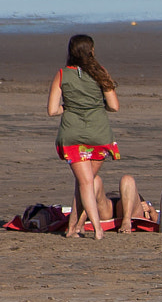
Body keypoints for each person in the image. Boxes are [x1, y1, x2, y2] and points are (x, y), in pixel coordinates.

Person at [47, 33, 121, 240]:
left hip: (73, 135)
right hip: (99, 134)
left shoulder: (62, 74)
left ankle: (96, 228)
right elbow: (114, 106)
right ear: (92, 51)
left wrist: (69, 107)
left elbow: (52, 110)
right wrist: (96, 106)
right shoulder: (101, 73)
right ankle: (73, 229)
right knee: (84, 183)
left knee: (85, 183)